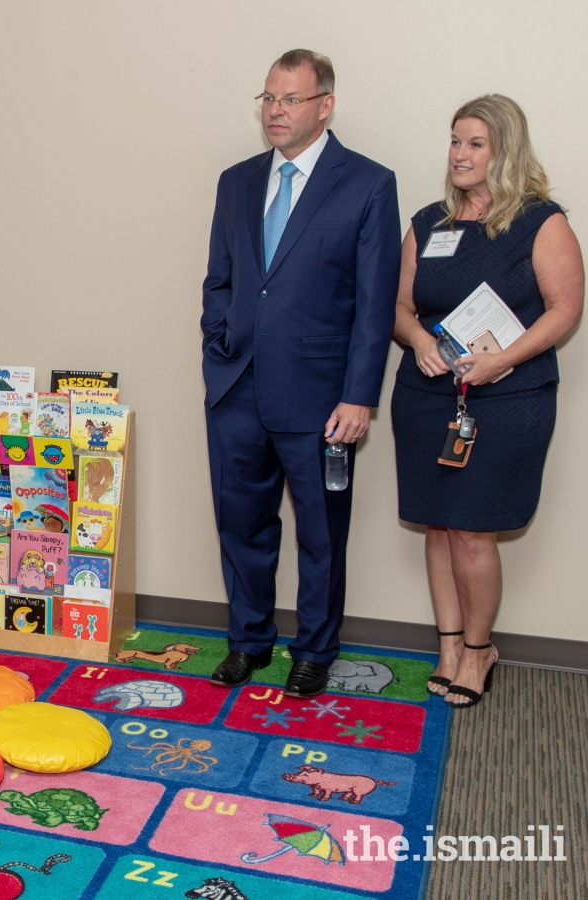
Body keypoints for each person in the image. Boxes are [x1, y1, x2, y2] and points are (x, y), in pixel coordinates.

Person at [201, 50, 401, 697]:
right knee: (242, 525)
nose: (276, 111)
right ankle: (248, 641)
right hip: (237, 392)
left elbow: (375, 305)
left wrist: (359, 397)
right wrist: (218, 350)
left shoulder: (368, 184)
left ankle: (314, 648)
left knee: (321, 534)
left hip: (321, 401)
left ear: (325, 105)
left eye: (290, 99)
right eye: (268, 99)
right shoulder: (236, 181)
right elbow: (220, 283)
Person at [390, 95, 583, 707]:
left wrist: (503, 359)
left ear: (505, 151)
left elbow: (566, 310)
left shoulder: (540, 221)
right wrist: (419, 338)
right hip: (426, 396)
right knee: (438, 524)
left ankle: (479, 650)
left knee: (472, 531)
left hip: (507, 398)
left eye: (475, 143)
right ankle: (448, 646)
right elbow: (398, 307)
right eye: (454, 141)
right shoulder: (429, 222)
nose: (459, 154)